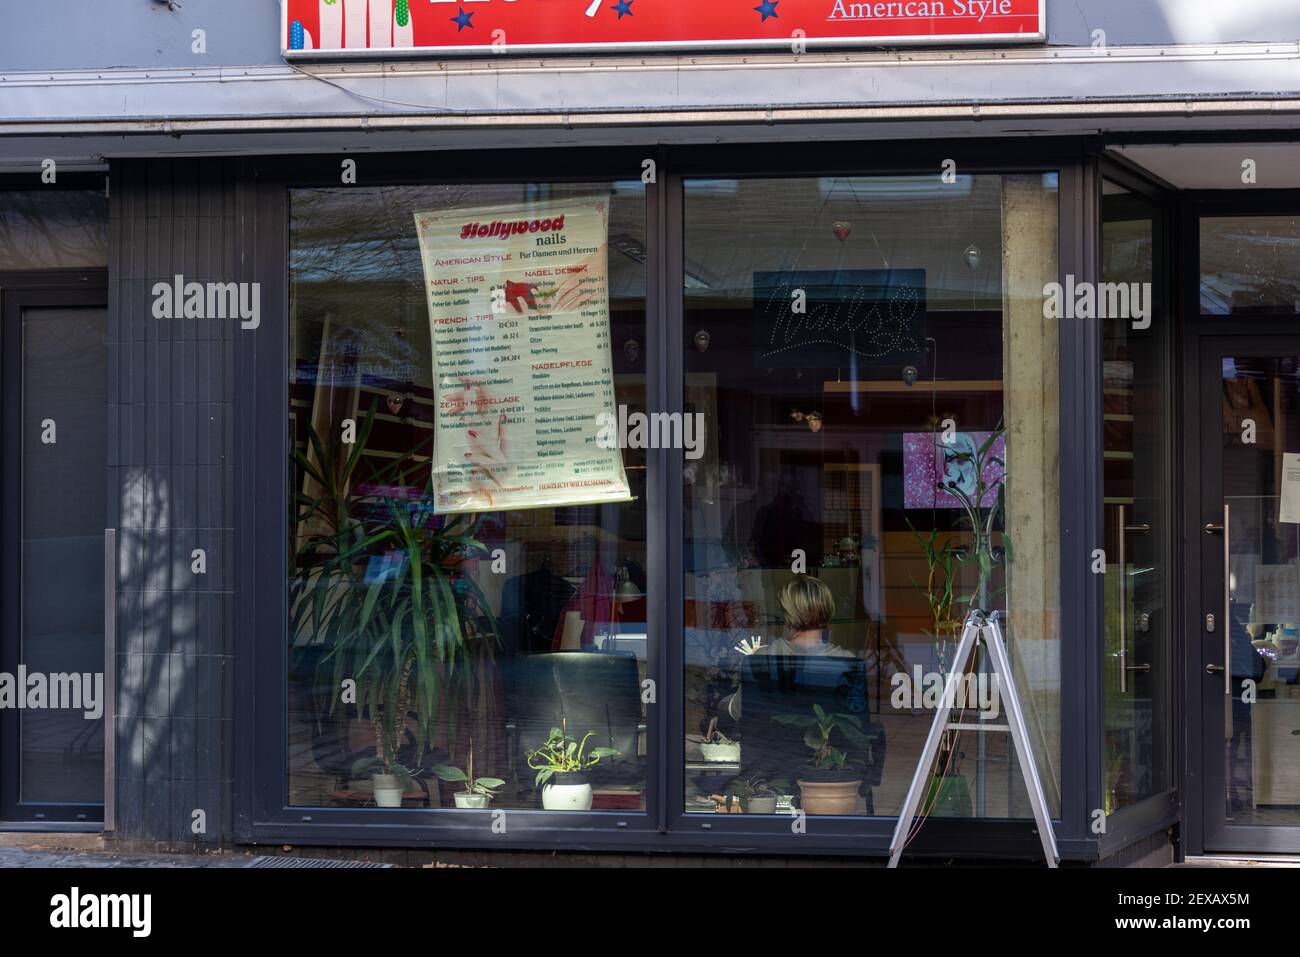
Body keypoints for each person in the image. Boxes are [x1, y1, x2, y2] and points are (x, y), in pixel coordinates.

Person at [722, 575, 855, 721]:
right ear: (828, 613)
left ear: (787, 616)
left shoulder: (762, 658)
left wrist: (723, 701)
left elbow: (737, 711)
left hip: (773, 742)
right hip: (825, 742)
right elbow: (855, 721)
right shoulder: (847, 662)